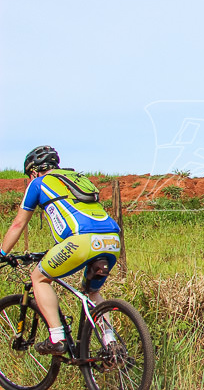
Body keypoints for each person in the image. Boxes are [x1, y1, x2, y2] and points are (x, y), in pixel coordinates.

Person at [1, 146, 122, 355]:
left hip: (80, 240)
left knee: (39, 278)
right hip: (112, 240)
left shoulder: (38, 184)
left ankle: (56, 337)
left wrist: (2, 253)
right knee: (93, 292)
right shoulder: (75, 178)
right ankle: (111, 343)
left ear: (34, 171)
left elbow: (17, 225)